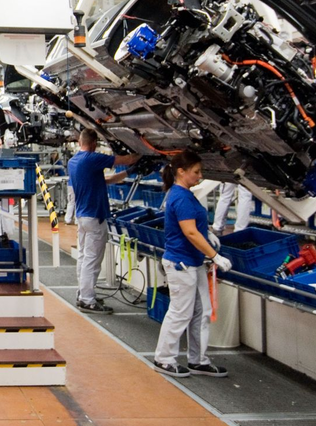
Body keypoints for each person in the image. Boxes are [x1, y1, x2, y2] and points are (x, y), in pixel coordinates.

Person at [152, 150, 232, 379]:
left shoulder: (184, 194)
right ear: (181, 171)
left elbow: (193, 226)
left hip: (193, 263)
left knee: (202, 312)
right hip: (181, 264)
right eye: (196, 172)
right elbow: (189, 232)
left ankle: (198, 360)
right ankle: (164, 358)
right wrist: (214, 255)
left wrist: (206, 231)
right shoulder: (180, 196)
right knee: (180, 313)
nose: (200, 175)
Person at [68, 129, 140, 314]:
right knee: (92, 261)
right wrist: (144, 153)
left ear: (80, 142)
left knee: (84, 257)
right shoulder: (92, 159)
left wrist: (130, 173)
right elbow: (127, 159)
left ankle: (83, 293)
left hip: (82, 217)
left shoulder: (74, 162)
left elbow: (106, 180)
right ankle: (87, 300)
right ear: (94, 144)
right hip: (95, 216)